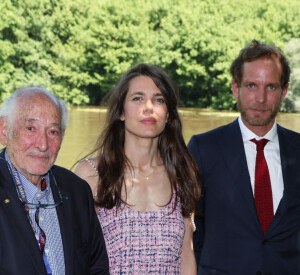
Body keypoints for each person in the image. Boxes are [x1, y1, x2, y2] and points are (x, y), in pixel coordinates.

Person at [75, 63, 201, 274]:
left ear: (168, 115)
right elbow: (76, 254)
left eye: (159, 99)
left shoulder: (182, 175)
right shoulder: (92, 173)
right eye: (137, 98)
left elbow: (186, 256)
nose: (148, 107)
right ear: (121, 112)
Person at [188, 40, 300, 275]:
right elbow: (190, 230)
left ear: (284, 92)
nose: (260, 98)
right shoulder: (204, 148)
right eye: (251, 85)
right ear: (235, 88)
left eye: (271, 87)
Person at [0, 87, 109, 275]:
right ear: (4, 131)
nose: (43, 144)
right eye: (30, 128)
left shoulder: (77, 191)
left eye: (53, 131)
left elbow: (96, 267)